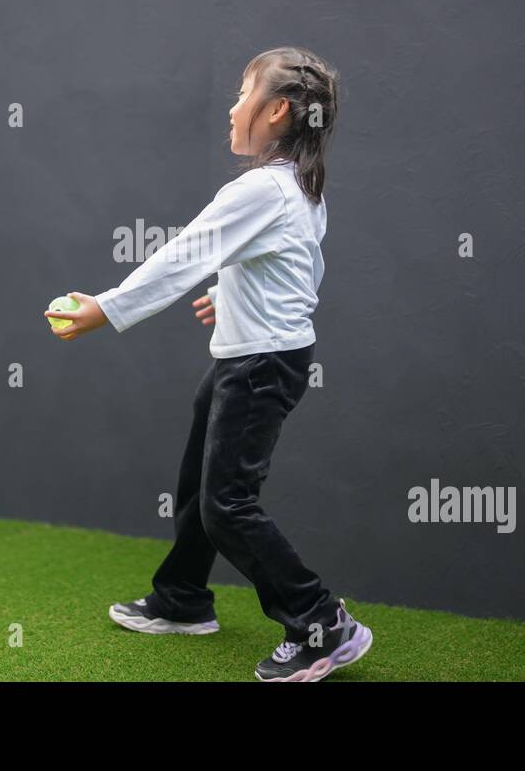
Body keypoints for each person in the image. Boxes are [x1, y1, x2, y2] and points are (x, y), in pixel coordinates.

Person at [43, 45, 372, 682]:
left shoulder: (261, 189)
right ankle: (183, 599)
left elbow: (184, 255)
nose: (231, 108)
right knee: (199, 485)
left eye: (242, 93)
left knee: (228, 504)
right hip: (247, 357)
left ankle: (319, 620)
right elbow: (296, 263)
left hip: (261, 366)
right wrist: (231, 296)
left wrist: (105, 309)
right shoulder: (299, 188)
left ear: (276, 110)